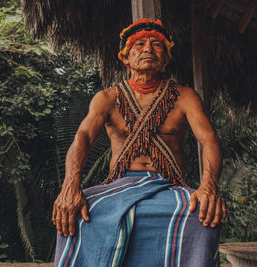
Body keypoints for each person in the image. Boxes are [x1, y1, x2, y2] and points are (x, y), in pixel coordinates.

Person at [52, 18, 226, 267]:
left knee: (202, 215)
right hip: (119, 185)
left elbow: (209, 139)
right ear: (125, 57)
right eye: (138, 45)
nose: (147, 49)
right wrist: (70, 187)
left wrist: (208, 187)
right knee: (75, 213)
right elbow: (83, 138)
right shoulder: (107, 98)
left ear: (165, 58)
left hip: (169, 186)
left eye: (157, 45)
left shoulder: (185, 97)